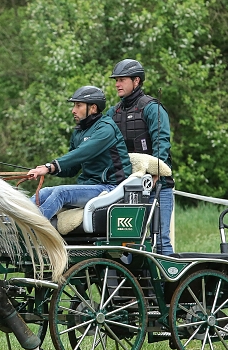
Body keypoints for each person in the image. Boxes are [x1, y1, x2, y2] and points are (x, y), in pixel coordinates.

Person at [26, 86, 132, 220]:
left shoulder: (106, 128)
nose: (73, 110)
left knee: (61, 193)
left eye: (78, 105)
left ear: (93, 108)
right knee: (43, 192)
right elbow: (72, 168)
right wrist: (49, 169)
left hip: (111, 188)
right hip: (89, 186)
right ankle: (10, 223)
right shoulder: (79, 132)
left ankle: (30, 226)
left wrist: (50, 167)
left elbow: (83, 152)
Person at [106, 59, 175, 255]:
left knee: (160, 241)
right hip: (127, 189)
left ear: (136, 81)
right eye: (116, 80)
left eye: (121, 80)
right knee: (127, 243)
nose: (117, 84)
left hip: (158, 187)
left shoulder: (152, 108)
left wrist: (154, 176)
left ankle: (168, 285)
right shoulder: (114, 113)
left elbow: (162, 144)